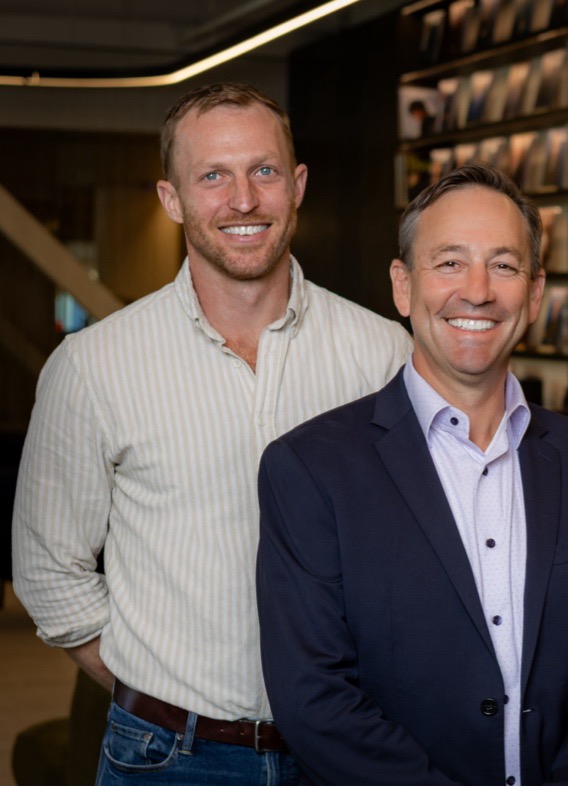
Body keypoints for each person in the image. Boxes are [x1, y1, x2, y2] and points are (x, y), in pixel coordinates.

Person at [11, 82, 411, 785]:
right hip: (166, 757)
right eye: (213, 176)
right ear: (173, 199)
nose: (244, 200)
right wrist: (159, 694)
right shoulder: (94, 365)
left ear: (298, 185)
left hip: (348, 750)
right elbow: (51, 573)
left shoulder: (385, 356)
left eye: (263, 171)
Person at [255, 164, 568, 785]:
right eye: (448, 263)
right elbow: (315, 698)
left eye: (504, 265)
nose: (478, 290)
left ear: (536, 291)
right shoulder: (310, 469)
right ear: (402, 286)